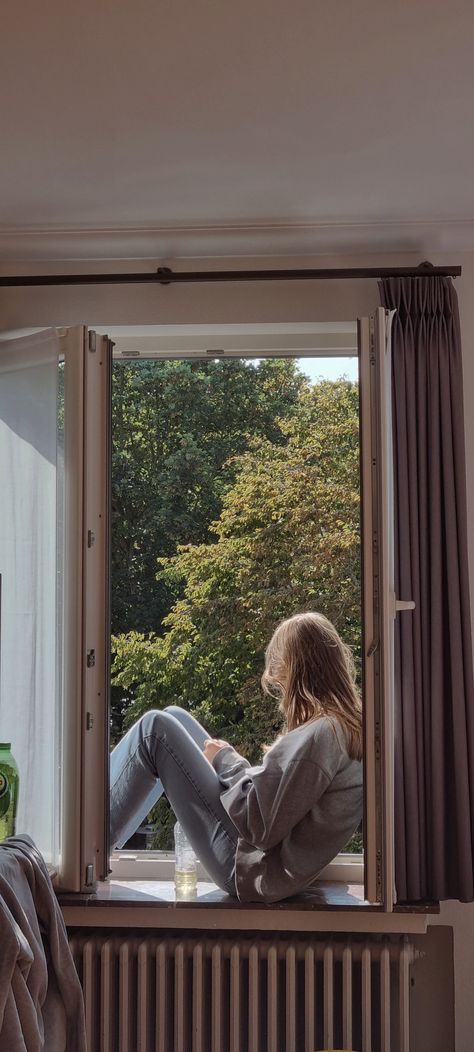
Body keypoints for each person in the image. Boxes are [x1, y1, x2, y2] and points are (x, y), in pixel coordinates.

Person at [110, 611, 363, 903]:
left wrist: (226, 761)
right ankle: (91, 835)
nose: (280, 695)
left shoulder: (321, 736)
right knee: (173, 716)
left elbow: (260, 826)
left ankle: (89, 845)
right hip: (257, 859)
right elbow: (278, 805)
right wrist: (230, 762)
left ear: (294, 673)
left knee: (154, 729)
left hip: (248, 866)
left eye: (280, 683)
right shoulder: (342, 728)